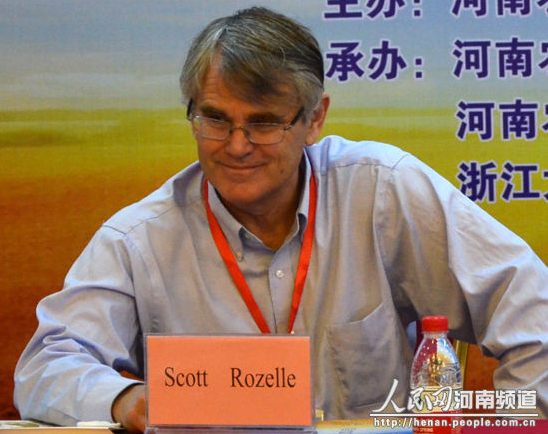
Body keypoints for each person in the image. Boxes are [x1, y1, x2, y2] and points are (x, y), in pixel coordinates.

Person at [14, 6, 548, 433]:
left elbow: (534, 313)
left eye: (264, 123)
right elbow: (46, 366)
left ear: (315, 118)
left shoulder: (382, 190)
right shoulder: (140, 238)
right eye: (215, 119)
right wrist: (127, 399)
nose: (236, 146)